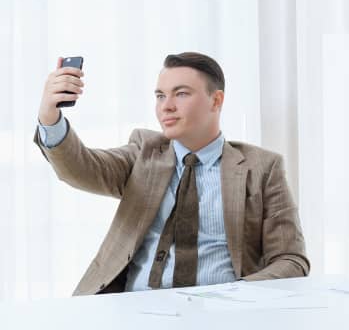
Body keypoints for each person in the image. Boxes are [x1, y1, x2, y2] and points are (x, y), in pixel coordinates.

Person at [35, 51, 309, 295]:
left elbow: (291, 259)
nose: (166, 106)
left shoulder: (262, 167)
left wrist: (236, 296)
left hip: (223, 315)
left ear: (216, 101)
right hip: (134, 309)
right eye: (160, 95)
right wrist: (50, 117)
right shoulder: (144, 152)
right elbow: (82, 168)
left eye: (181, 94)